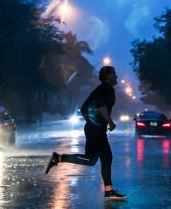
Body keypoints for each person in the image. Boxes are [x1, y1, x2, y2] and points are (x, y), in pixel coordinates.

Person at [44, 66, 127, 200]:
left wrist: (92, 123)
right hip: (96, 130)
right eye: (114, 74)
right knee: (106, 157)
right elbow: (100, 106)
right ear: (107, 76)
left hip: (93, 129)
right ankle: (109, 190)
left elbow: (84, 108)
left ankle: (58, 158)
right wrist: (108, 122)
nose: (117, 77)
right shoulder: (107, 89)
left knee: (91, 160)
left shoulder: (101, 89)